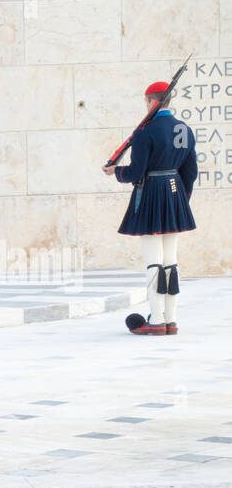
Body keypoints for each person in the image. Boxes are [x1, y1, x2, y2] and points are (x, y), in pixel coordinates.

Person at [104, 80, 198, 335]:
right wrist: (181, 200)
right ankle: (171, 319)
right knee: (171, 261)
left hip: (152, 193)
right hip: (176, 192)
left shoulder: (146, 131)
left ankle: (156, 320)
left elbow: (136, 173)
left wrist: (116, 171)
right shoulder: (185, 129)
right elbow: (191, 172)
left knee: (153, 261)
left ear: (151, 102)